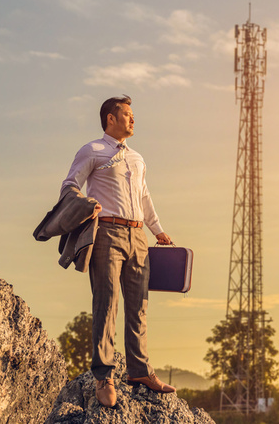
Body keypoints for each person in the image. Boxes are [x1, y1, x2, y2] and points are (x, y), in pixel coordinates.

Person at [61, 95, 176, 407]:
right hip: (107, 232)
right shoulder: (92, 150)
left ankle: (139, 371)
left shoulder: (137, 158)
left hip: (138, 235)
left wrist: (158, 230)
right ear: (110, 119)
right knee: (106, 303)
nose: (132, 119)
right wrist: (86, 205)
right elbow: (70, 185)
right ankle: (104, 376)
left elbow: (145, 196)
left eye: (132, 114)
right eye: (126, 114)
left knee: (139, 306)